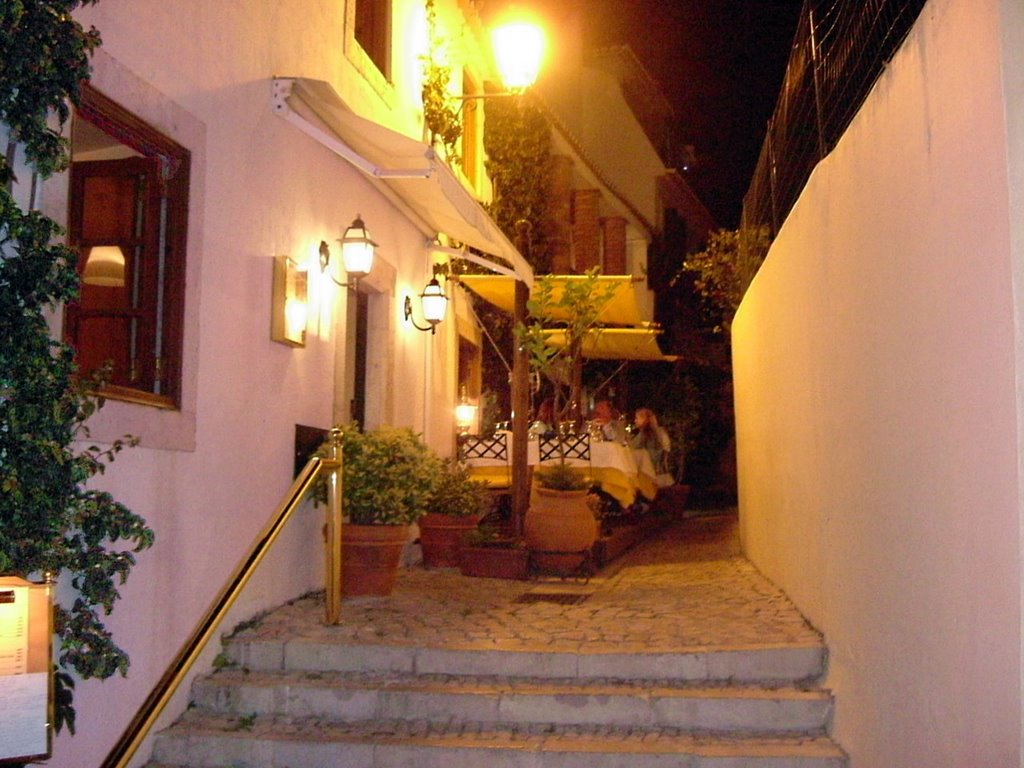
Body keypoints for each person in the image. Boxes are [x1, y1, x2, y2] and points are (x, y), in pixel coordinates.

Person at [631, 407, 673, 485]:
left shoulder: (645, 435)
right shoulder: (661, 432)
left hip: (649, 476)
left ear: (644, 419)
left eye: (637, 418)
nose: (635, 421)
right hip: (663, 475)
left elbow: (632, 450)